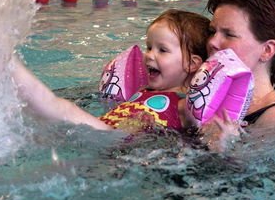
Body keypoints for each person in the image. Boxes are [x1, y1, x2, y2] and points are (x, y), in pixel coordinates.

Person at [13, 9, 211, 132]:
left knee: (60, 108)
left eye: (162, 50)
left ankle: (7, 62)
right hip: (106, 135)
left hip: (115, 138)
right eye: (149, 47)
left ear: (192, 64)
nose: (149, 55)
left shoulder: (185, 104)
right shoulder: (141, 91)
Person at [201, 0, 275, 149]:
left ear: (267, 50)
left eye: (229, 34)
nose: (212, 42)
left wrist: (227, 150)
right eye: (212, 32)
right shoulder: (204, 100)